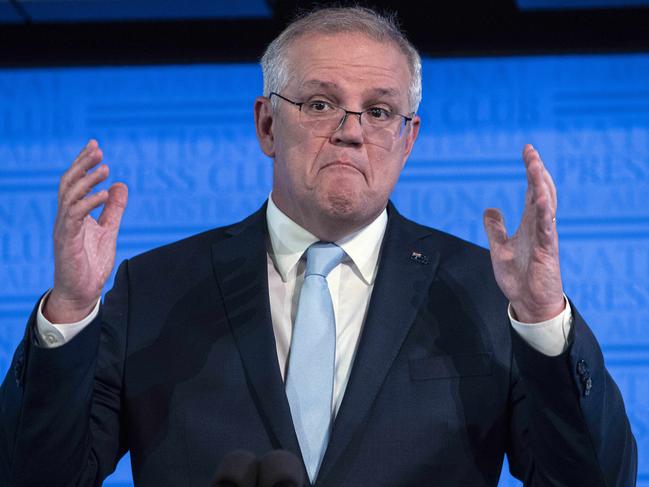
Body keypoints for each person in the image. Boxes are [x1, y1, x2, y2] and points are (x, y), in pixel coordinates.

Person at [0, 6, 637, 487]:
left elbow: (591, 479)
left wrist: (544, 320)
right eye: (321, 102)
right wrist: (69, 311)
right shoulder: (157, 289)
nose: (351, 132)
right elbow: (38, 477)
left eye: (380, 111)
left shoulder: (482, 292)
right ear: (267, 124)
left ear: (409, 139)